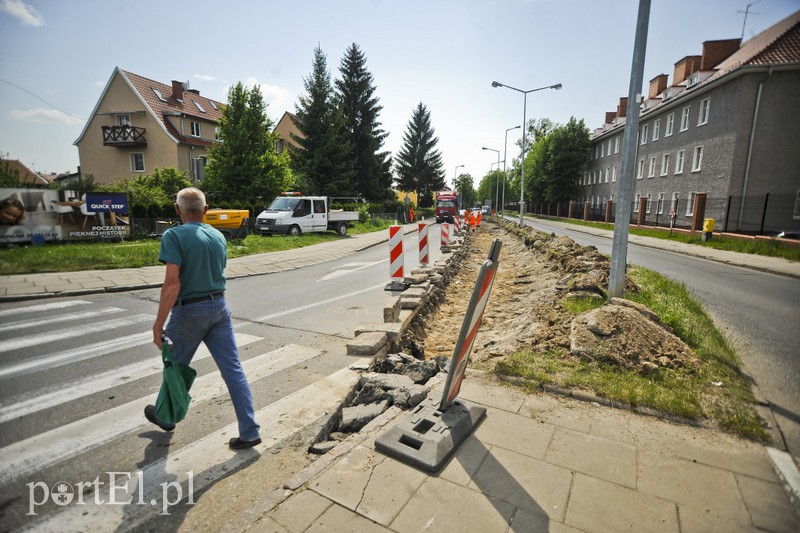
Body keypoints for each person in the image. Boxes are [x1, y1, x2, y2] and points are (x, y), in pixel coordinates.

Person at [146, 187, 261, 450]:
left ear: (177, 210)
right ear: (206, 211)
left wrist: (157, 324)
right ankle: (250, 431)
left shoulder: (173, 236)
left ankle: (166, 415)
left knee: (175, 365)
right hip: (219, 307)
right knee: (233, 370)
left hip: (189, 311)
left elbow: (172, 284)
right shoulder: (218, 235)